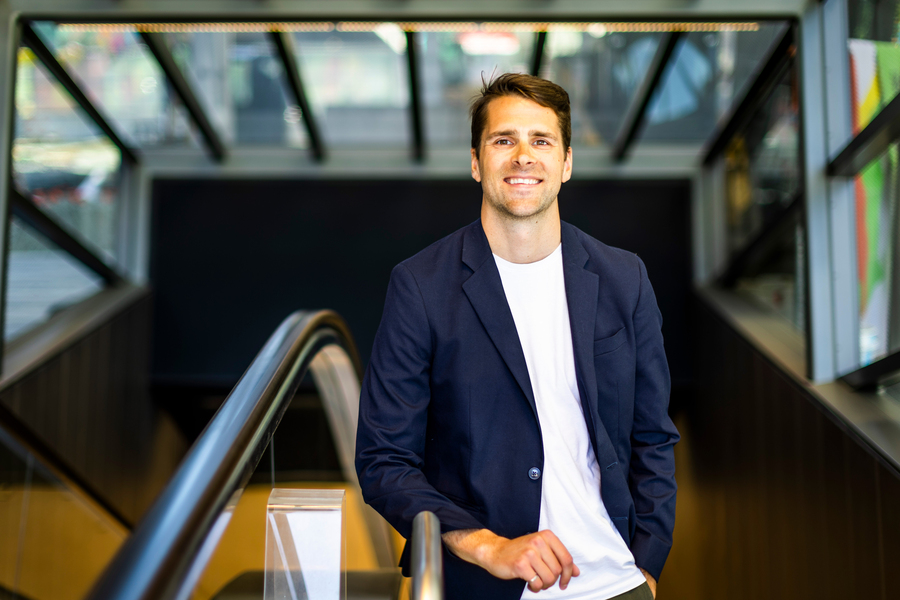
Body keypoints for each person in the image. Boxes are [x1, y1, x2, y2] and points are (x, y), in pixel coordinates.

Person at [355, 73, 678, 600]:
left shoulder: (624, 278)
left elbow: (653, 436)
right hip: (480, 585)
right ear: (478, 162)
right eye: (504, 140)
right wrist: (488, 546)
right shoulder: (420, 286)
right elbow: (383, 459)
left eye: (541, 141)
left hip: (616, 580)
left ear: (566, 162)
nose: (523, 156)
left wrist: (648, 563)